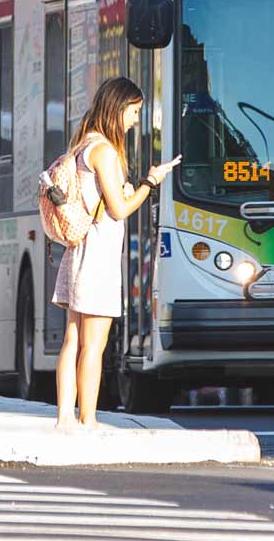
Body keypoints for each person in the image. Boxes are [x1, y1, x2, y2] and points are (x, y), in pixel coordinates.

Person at [52, 76, 180, 429]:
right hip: (97, 258)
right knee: (94, 344)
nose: (135, 120)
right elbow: (120, 209)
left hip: (78, 251)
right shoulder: (105, 151)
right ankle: (88, 419)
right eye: (134, 111)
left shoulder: (81, 145)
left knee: (73, 340)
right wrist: (150, 182)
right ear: (118, 108)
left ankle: (65, 417)